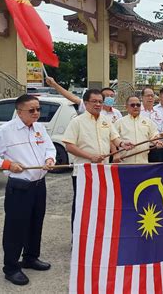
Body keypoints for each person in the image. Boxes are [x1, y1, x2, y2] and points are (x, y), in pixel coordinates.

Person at [0, 95, 56, 285]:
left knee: (35, 223)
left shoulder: (39, 128)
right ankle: (11, 267)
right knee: (16, 228)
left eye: (38, 109)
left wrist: (49, 159)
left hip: (39, 184)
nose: (37, 113)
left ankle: (30, 257)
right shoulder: (5, 131)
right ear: (19, 111)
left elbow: (50, 148)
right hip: (20, 186)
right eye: (32, 110)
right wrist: (7, 163)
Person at [62, 89, 133, 232]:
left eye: (100, 101)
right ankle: (78, 237)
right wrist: (90, 157)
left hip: (102, 170)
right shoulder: (77, 122)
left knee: (101, 204)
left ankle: (96, 235)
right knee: (82, 206)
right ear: (86, 103)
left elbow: (115, 138)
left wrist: (122, 144)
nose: (98, 104)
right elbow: (69, 146)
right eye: (94, 101)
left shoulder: (106, 121)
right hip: (84, 171)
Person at [45, 77, 122, 122]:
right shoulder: (91, 107)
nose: (109, 98)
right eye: (107, 95)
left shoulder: (117, 113)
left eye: (112, 96)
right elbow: (72, 97)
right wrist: (54, 84)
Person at [114, 96, 163, 164]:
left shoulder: (148, 121)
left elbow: (154, 135)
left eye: (138, 105)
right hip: (125, 162)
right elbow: (113, 139)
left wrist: (157, 142)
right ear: (126, 107)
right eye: (132, 105)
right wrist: (115, 154)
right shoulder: (119, 122)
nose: (135, 107)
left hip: (143, 162)